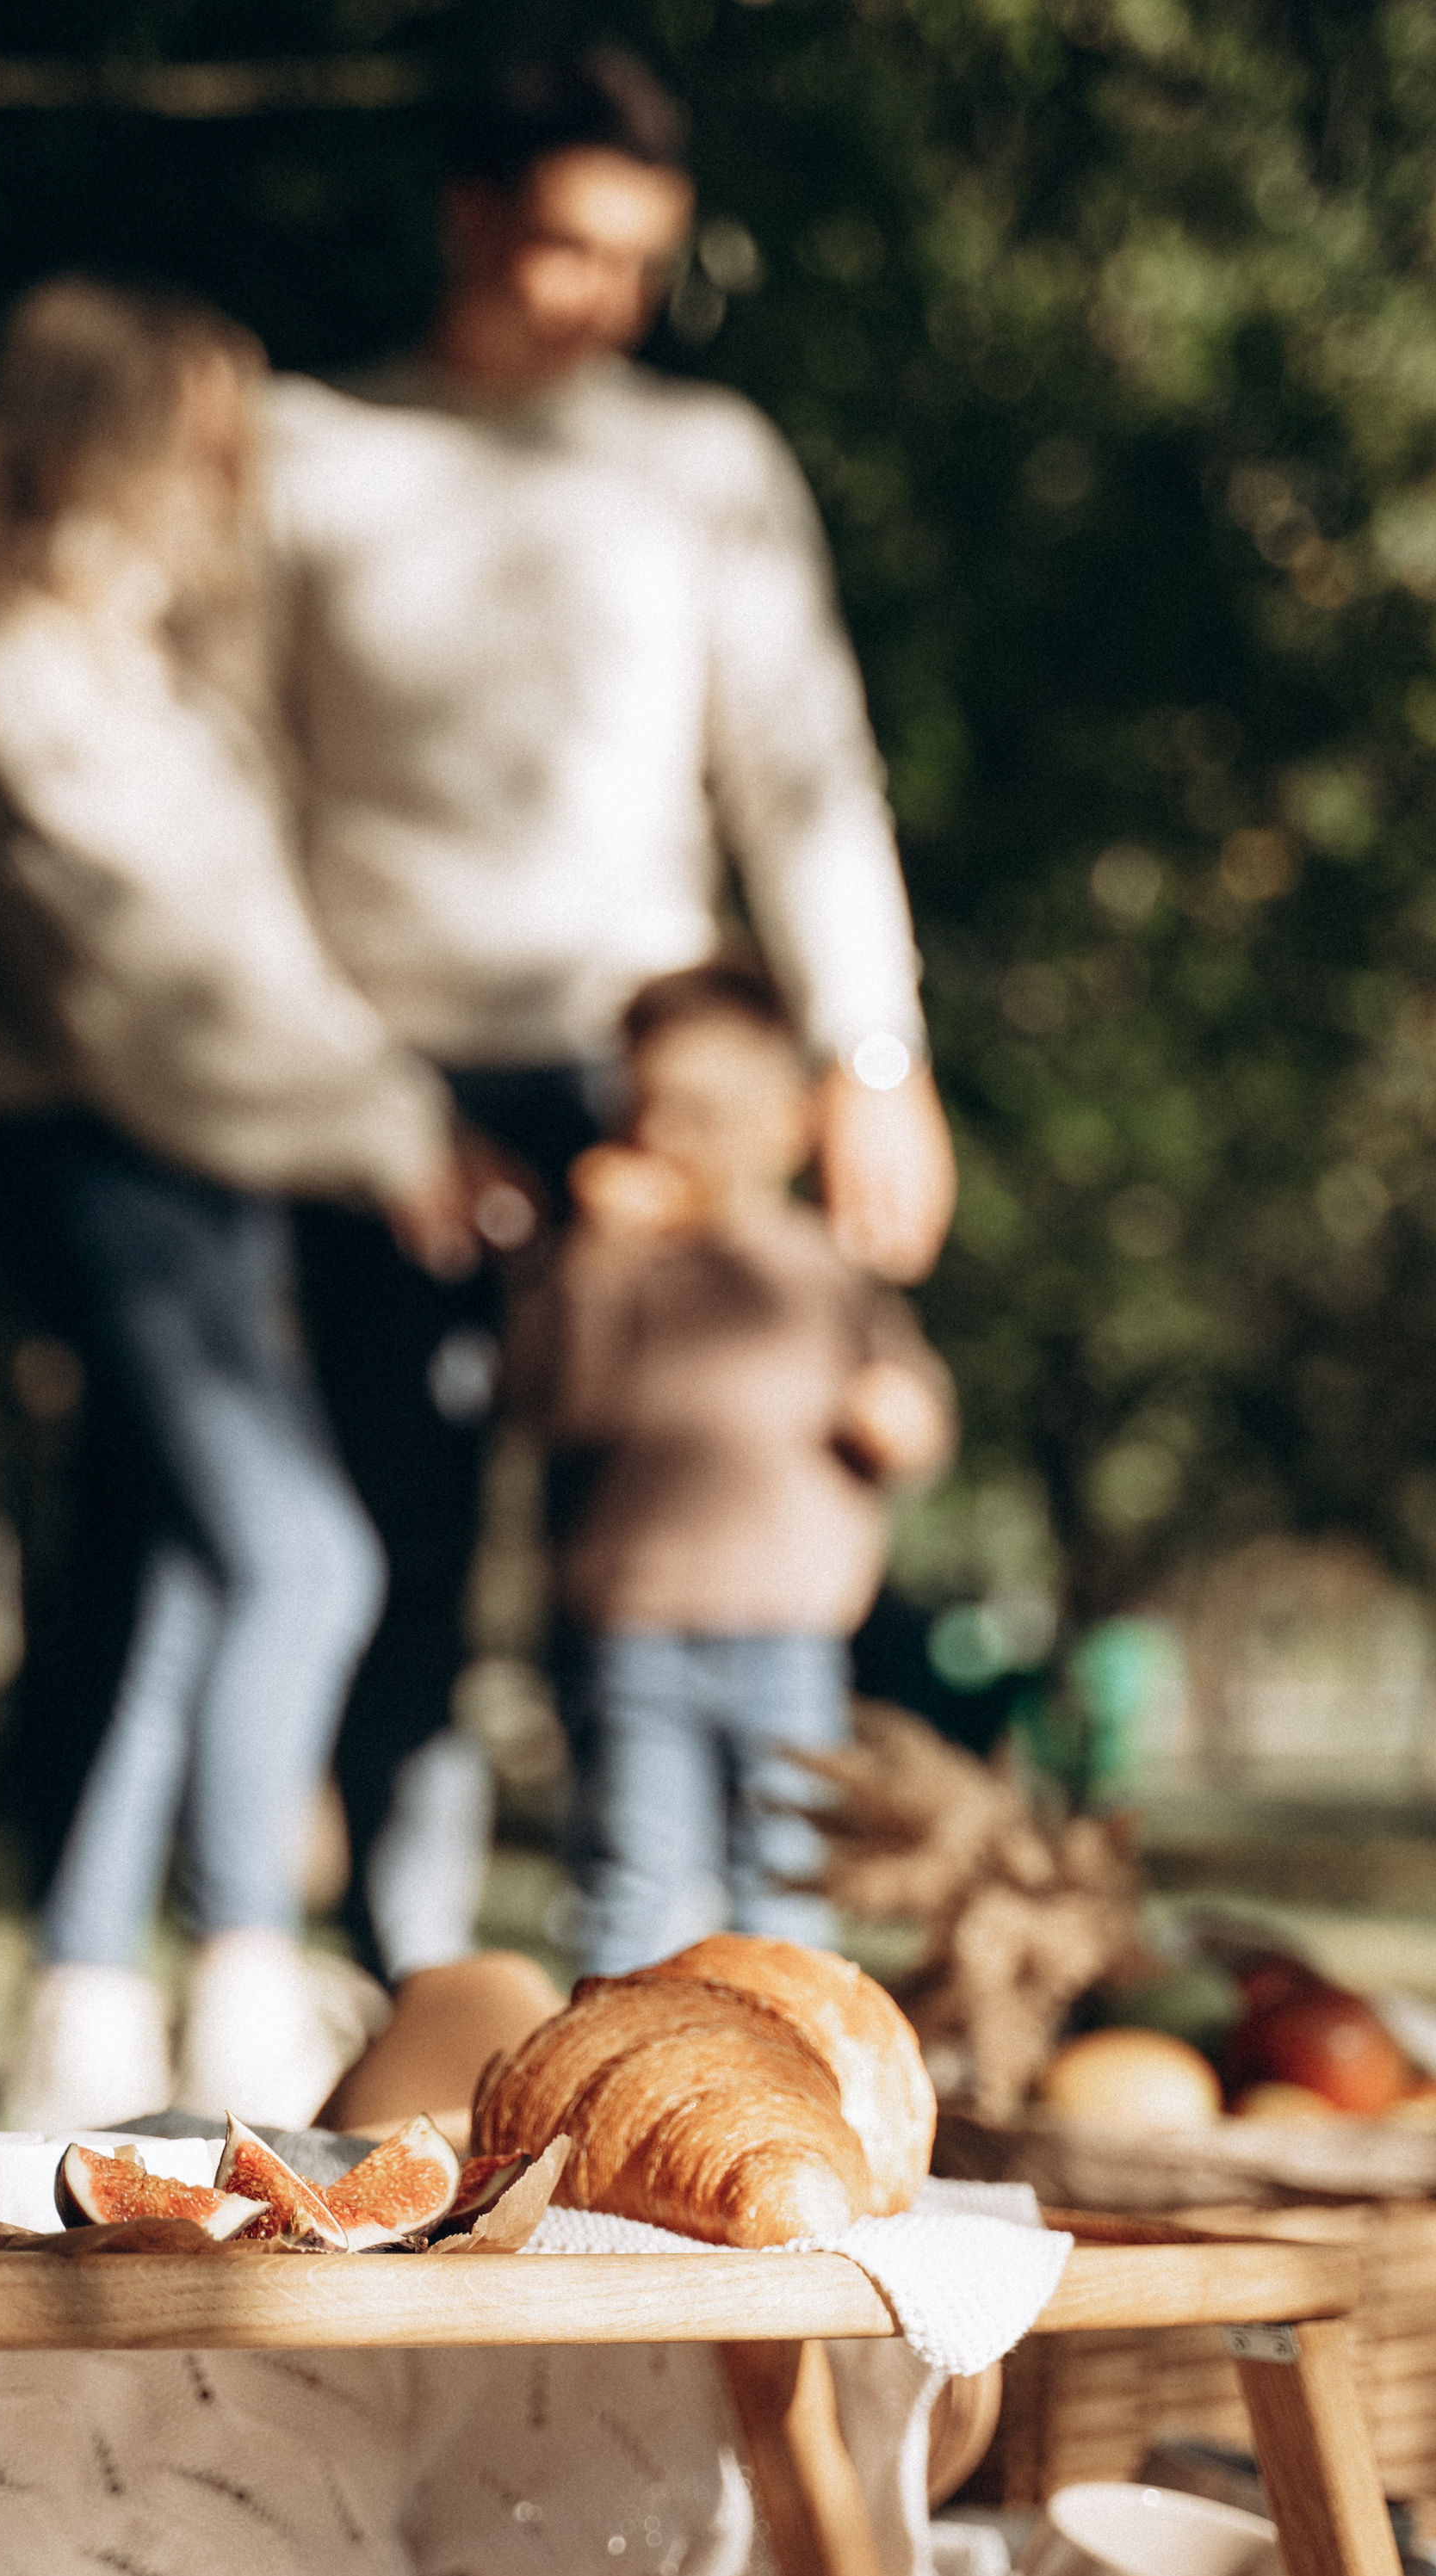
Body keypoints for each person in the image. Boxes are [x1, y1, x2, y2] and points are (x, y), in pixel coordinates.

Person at [266, 47, 956, 1980]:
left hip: (631, 1077)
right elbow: (239, 802)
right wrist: (327, 1085)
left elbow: (801, 771)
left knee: (669, 1543)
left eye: (641, 263)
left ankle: (687, 1984)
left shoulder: (701, 465)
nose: (604, 300)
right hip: (375, 1099)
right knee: (380, 1552)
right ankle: (393, 1978)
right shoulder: (310, 450)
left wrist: (869, 1052)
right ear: (468, 216)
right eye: (569, 247)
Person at [0, 280, 475, 2128]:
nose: (229, 486)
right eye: (200, 448)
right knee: (305, 1555)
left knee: (181, 1580)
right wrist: (388, 1129)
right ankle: (244, 1982)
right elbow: (158, 988)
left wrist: (379, 1104)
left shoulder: (125, 669)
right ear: (110, 450)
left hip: (181, 1170)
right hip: (116, 1164)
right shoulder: (17, 679)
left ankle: (88, 1998)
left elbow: (249, 943)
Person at [504, 960, 956, 1976]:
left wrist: (905, 1420)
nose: (667, 1139)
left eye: (701, 1113)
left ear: (786, 1125)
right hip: (640, 1636)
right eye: (646, 1112)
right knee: (633, 1870)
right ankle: (604, 2085)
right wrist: (590, 1265)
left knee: (787, 1880)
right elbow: (557, 1405)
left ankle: (792, 2083)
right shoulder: (614, 1270)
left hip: (791, 1640)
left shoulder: (823, 1270)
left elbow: (910, 1399)